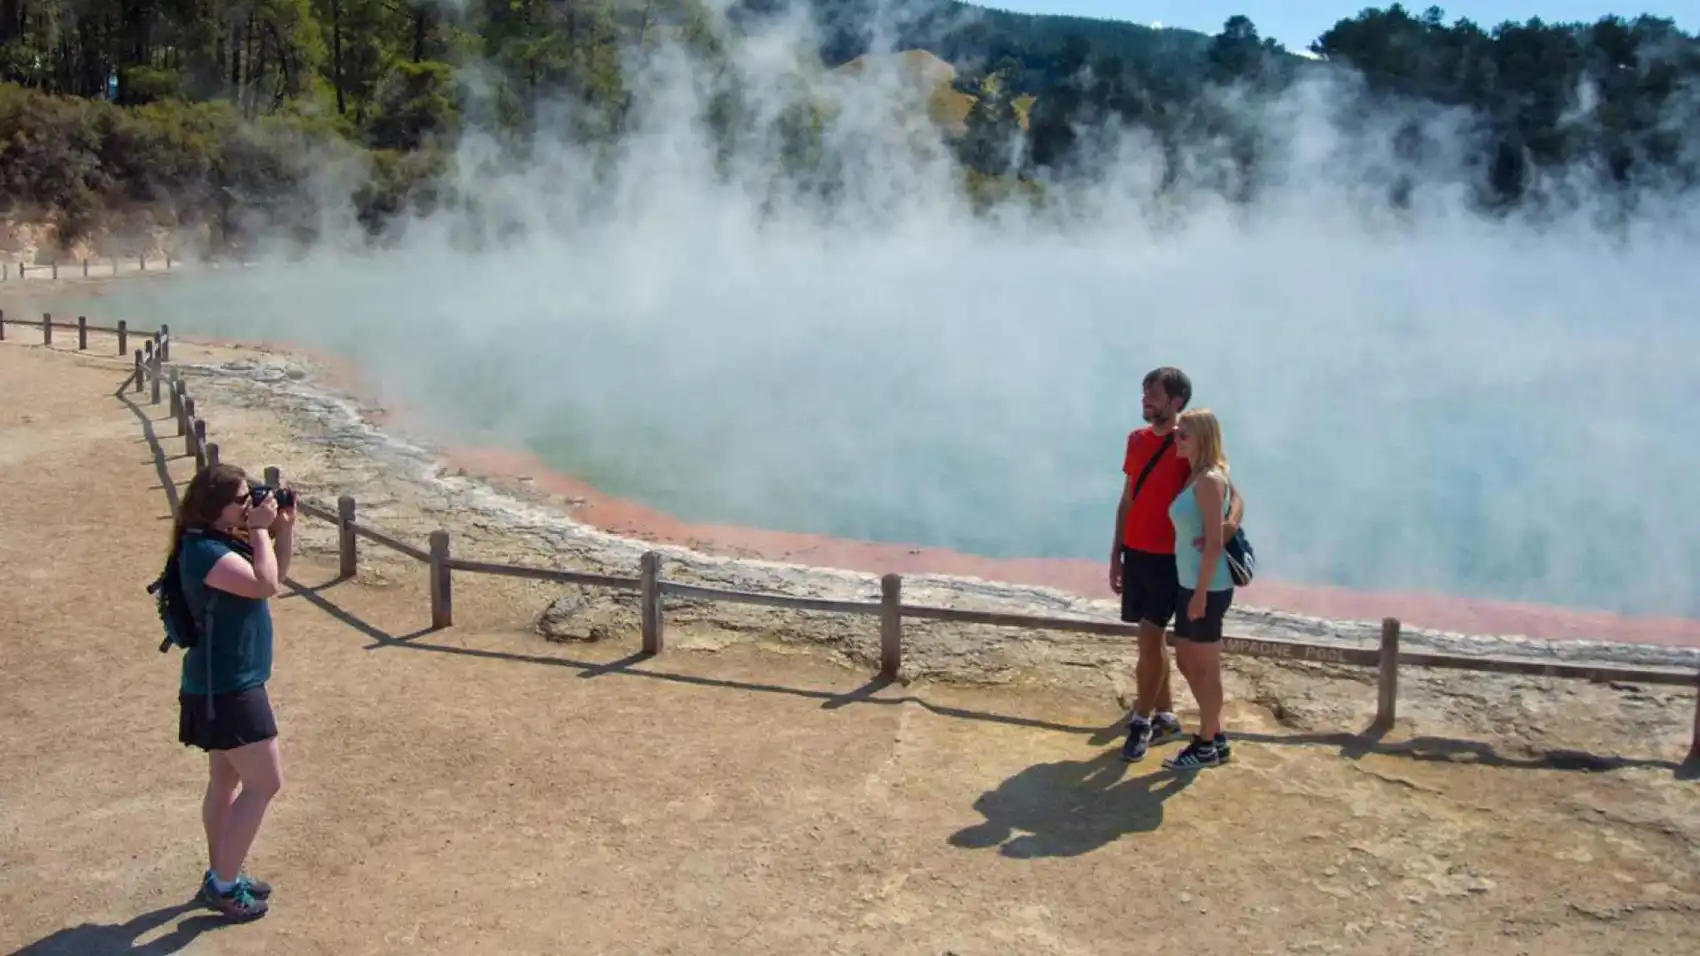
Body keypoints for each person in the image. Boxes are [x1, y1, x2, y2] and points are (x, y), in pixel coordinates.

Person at [170, 462, 295, 921]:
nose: (249, 506)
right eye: (242, 500)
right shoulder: (204, 551)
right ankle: (224, 886)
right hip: (228, 688)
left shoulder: (216, 543)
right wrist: (260, 531)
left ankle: (222, 871)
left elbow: (272, 579)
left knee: (226, 781)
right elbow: (262, 583)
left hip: (221, 683)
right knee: (266, 782)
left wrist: (281, 530)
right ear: (214, 506)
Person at [1111, 367, 1242, 763]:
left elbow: (1231, 493)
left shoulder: (1186, 444)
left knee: (1150, 638)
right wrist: (1116, 550)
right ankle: (1165, 715)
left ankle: (1142, 720)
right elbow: (1129, 496)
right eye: (1143, 394)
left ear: (1176, 402)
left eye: (1153, 395)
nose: (1145, 401)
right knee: (1151, 640)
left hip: (1170, 561)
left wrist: (1227, 527)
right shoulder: (1136, 441)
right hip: (1136, 555)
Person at [1162, 408, 1237, 770]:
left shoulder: (1209, 480)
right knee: (1186, 659)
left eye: (1184, 435)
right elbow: (1236, 504)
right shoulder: (1198, 475)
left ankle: (1206, 745)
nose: (1176, 440)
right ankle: (1215, 734)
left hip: (1207, 586)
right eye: (1177, 434)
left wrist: (1201, 594)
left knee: (1206, 669)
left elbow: (1213, 544)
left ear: (1203, 438)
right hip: (1190, 582)